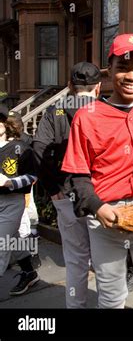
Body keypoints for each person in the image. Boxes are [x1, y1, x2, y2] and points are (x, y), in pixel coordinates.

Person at [33, 61, 102, 308]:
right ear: (99, 87)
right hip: (101, 197)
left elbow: (39, 151)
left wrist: (53, 189)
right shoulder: (105, 110)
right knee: (106, 261)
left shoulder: (55, 111)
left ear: (71, 85)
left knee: (75, 260)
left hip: (66, 195)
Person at [0, 104, 39, 295]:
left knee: (2, 244)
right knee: (12, 239)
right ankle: (29, 272)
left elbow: (33, 176)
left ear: (5, 124)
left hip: (11, 202)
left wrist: (9, 183)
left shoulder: (19, 148)